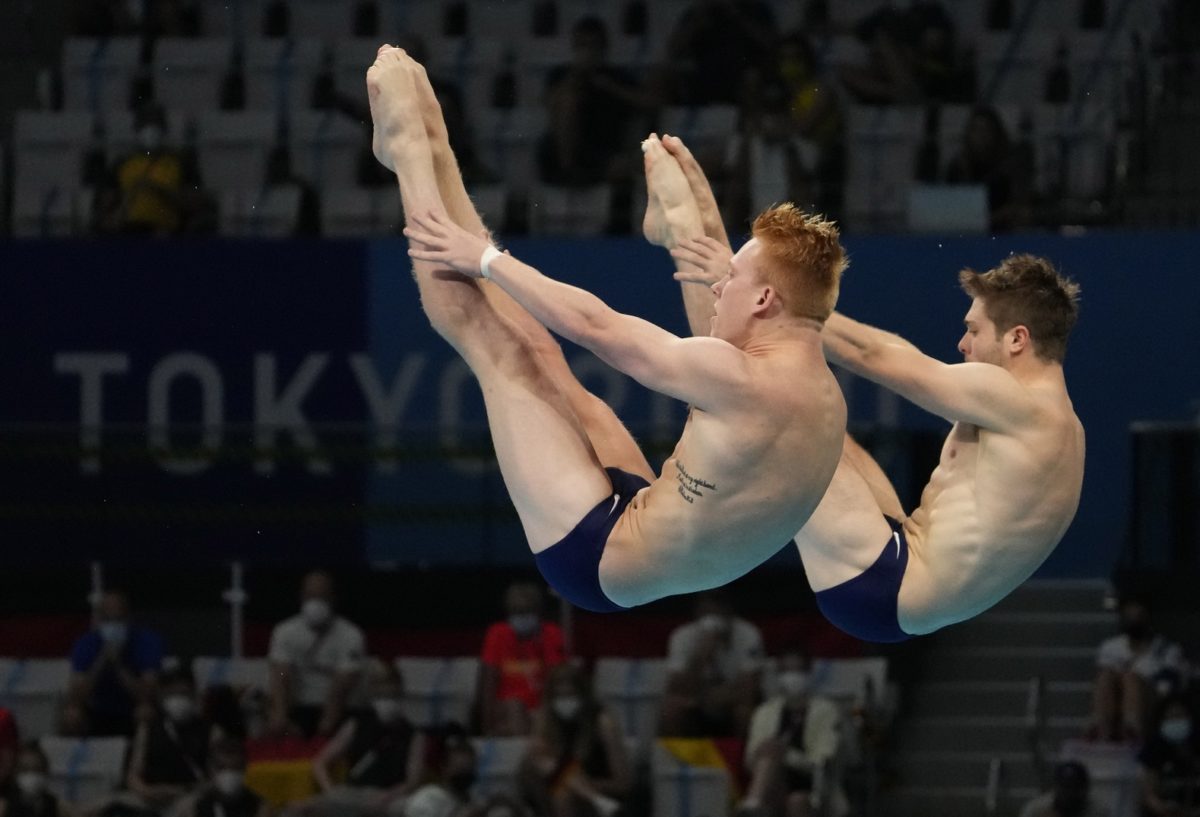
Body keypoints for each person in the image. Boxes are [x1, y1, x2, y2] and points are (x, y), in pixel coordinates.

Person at [374, 47, 847, 615]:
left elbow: (594, 325)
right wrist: (698, 218)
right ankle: (436, 146)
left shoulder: (738, 379)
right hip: (650, 527)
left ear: (767, 298)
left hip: (593, 555)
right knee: (543, 356)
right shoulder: (820, 394)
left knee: (497, 343)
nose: (721, 285)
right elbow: (726, 359)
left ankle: (409, 153)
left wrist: (485, 258)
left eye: (733, 278)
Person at [659, 136, 1084, 642]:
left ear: (1018, 338)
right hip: (901, 572)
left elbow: (872, 357)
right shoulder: (1062, 425)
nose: (961, 342)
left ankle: (683, 232)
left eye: (973, 330)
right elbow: (892, 349)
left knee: (761, 404)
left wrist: (773, 296)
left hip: (886, 583)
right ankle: (714, 248)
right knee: (824, 430)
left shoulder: (1014, 400)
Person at [284, 662, 424, 816]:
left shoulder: (414, 735)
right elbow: (320, 762)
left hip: (390, 797)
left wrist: (388, 796)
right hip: (350, 794)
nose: (385, 695)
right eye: (379, 690)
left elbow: (412, 781)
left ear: (399, 690)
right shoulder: (356, 724)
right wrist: (330, 791)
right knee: (296, 809)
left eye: (389, 690)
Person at [518, 664, 632, 817]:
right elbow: (535, 759)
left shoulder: (602, 722)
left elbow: (623, 784)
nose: (564, 702)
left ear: (583, 695)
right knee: (533, 762)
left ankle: (595, 798)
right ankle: (594, 798)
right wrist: (570, 780)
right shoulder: (547, 720)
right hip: (555, 799)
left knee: (563, 792)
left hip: (597, 800)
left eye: (570, 696)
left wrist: (581, 783)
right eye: (559, 697)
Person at [740, 650, 844, 817]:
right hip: (773, 783)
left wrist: (786, 755)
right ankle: (754, 805)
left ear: (809, 674)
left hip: (813, 786)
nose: (793, 677)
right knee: (769, 756)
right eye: (787, 671)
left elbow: (823, 761)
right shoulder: (765, 712)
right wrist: (772, 752)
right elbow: (750, 760)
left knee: (797, 801)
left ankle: (752, 805)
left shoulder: (826, 711)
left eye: (798, 671)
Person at [267, 570, 367, 738]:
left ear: (333, 598)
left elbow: (342, 684)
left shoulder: (351, 635)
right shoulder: (284, 631)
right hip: (298, 708)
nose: (315, 603)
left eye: (322, 597)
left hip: (339, 709)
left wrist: (326, 724)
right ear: (301, 597)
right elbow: (281, 672)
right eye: (311, 596)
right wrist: (281, 714)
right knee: (274, 724)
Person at [660, 591, 764, 738]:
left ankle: (741, 758)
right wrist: (701, 656)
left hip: (731, 698)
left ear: (729, 611)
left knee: (744, 711)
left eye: (718, 610)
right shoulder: (682, 636)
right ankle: (676, 760)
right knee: (671, 708)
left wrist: (719, 697)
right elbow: (677, 688)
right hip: (697, 697)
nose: (713, 617)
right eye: (707, 611)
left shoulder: (748, 634)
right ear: (697, 613)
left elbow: (748, 690)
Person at [93, 102, 207, 236]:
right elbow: (105, 205)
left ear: (164, 129)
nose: (151, 130)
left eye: (156, 125)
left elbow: (195, 204)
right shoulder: (121, 163)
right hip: (128, 234)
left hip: (168, 234)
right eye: (145, 125)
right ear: (136, 129)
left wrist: (159, 190)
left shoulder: (182, 163)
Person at [1091, 595, 1188, 742]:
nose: (1133, 620)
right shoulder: (1110, 646)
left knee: (1131, 680)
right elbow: (1103, 681)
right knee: (1106, 677)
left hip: (1151, 703)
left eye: (1138, 616)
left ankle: (1132, 731)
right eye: (1129, 616)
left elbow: (1168, 688)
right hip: (1117, 703)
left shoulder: (1167, 649)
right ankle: (1101, 731)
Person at [68, 588, 164, 736]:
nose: (113, 625)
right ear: (99, 620)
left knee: (145, 711)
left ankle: (139, 756)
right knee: (72, 714)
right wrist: (101, 660)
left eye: (118, 619)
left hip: (133, 707)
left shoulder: (147, 641)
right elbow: (77, 695)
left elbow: (148, 694)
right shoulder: (86, 643)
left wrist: (118, 666)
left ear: (128, 618)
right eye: (107, 619)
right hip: (98, 708)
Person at [479, 582, 566, 737]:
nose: (521, 617)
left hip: (542, 710)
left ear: (537, 612)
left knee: (541, 715)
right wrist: (487, 730)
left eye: (526, 611)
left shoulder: (551, 633)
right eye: (517, 612)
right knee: (515, 707)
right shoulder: (497, 634)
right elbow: (488, 684)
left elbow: (557, 678)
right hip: (506, 711)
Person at [124, 667, 215, 816]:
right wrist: (146, 791)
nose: (178, 699)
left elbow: (215, 779)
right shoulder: (147, 729)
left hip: (190, 795)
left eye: (183, 694)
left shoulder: (210, 731)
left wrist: (181, 791)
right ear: (162, 697)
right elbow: (133, 775)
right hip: (150, 795)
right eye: (172, 694)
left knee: (188, 810)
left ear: (194, 695)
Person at [944, 106, 1036, 232]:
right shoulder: (958, 167)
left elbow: (1019, 207)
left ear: (996, 133)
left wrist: (992, 218)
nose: (980, 136)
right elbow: (947, 207)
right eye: (975, 130)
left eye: (985, 130)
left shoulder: (1008, 168)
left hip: (1003, 234)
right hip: (964, 233)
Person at [1137, 695, 1200, 817]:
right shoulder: (1154, 749)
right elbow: (1149, 794)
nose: (1176, 721)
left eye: (1180, 716)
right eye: (1170, 718)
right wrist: (1164, 810)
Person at [185, 740, 267, 817]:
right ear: (210, 769)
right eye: (222, 767)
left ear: (244, 769)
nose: (229, 774)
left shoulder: (260, 806)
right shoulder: (194, 807)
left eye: (235, 768)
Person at [0, 743, 72, 817]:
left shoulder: (56, 805)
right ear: (16, 773)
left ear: (45, 773)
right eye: (25, 770)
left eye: (37, 769)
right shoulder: (4, 805)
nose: (31, 774)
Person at [1019, 760, 1112, 817]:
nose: (1069, 793)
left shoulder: (1098, 812)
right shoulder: (1036, 810)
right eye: (1065, 787)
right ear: (1055, 787)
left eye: (1074, 787)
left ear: (1085, 789)